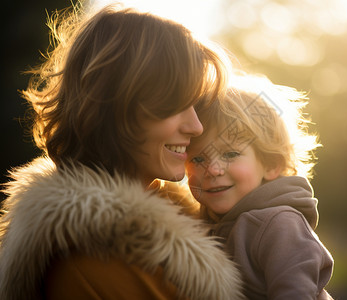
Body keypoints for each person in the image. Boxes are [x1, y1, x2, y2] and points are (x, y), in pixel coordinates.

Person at [0, 3, 244, 300]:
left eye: (195, 105)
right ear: (114, 106)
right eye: (176, 104)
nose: (196, 126)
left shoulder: (184, 212)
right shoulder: (90, 260)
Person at [185, 73, 334, 299]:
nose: (213, 170)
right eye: (197, 159)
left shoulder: (279, 223)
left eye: (230, 154)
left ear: (271, 164)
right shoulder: (200, 224)